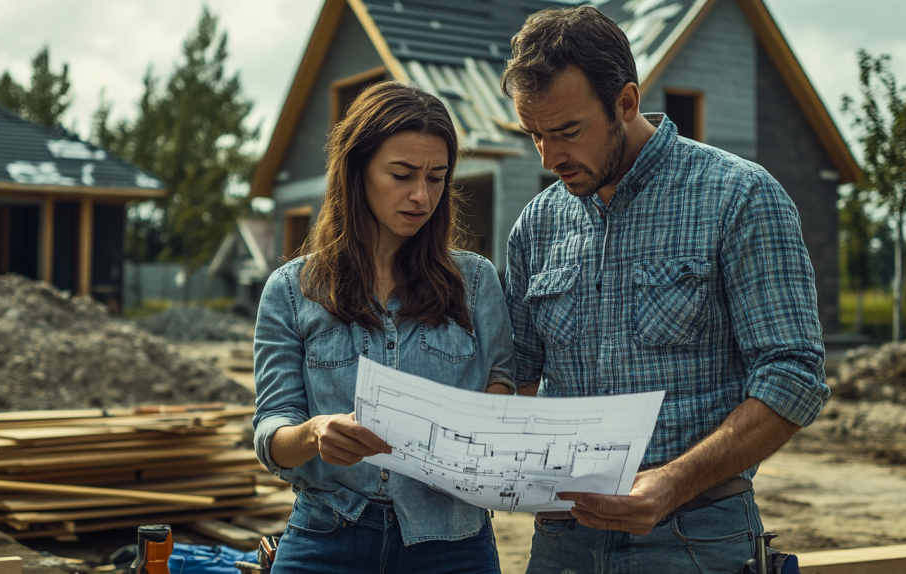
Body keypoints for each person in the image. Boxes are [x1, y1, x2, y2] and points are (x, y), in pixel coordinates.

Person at [500, 6, 829, 573]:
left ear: (625, 103)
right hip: (562, 543)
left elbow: (794, 375)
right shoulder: (537, 225)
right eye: (535, 136)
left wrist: (673, 482)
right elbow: (519, 375)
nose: (551, 158)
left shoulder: (740, 197)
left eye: (567, 132)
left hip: (695, 539)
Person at [252, 81, 514, 574]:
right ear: (357, 171)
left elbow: (502, 386)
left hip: (452, 541)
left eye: (437, 177)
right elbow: (271, 434)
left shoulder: (476, 281)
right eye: (402, 174)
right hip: (328, 533)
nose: (422, 195)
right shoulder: (290, 290)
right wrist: (314, 433)